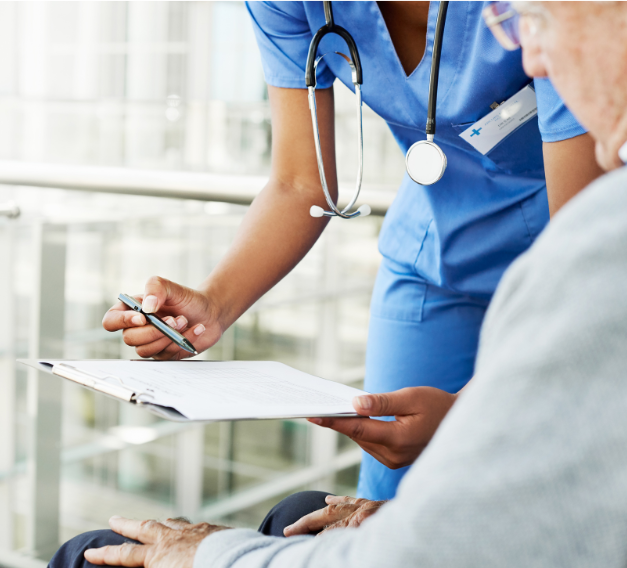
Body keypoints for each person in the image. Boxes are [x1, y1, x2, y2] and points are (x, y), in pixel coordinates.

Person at [53, 2, 627, 566]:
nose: (526, 44)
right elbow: (302, 181)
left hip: (568, 247)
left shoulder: (557, 20)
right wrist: (214, 304)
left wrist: (468, 410)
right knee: (377, 504)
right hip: (433, 250)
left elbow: (583, 262)